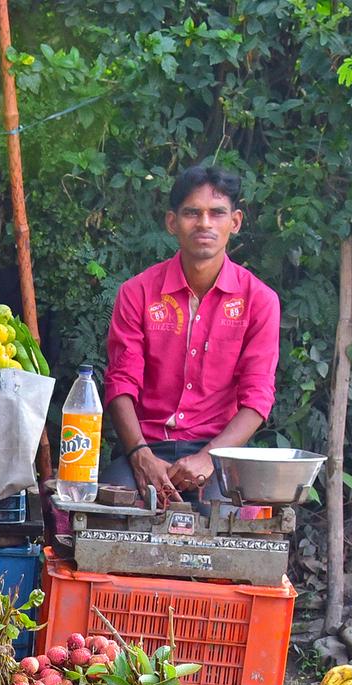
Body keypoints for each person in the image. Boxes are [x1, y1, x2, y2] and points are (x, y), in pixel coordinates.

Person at [101, 164, 280, 504]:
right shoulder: (137, 292)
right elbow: (120, 382)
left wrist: (209, 458)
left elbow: (257, 397)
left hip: (219, 454)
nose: (204, 224)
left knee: (225, 525)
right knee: (110, 514)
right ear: (172, 222)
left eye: (217, 213)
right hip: (146, 446)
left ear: (236, 222)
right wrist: (140, 455)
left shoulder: (260, 300)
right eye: (192, 213)